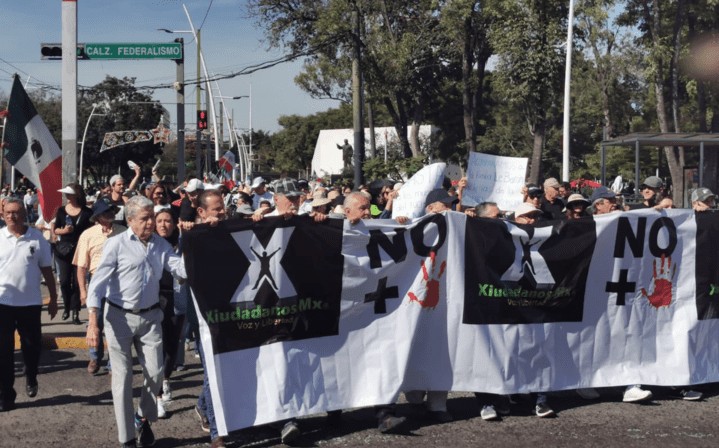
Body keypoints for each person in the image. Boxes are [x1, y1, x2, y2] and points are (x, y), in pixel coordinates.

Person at [85, 195, 187, 448]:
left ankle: (142, 417)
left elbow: (180, 269)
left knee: (155, 373)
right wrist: (93, 321)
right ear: (130, 220)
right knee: (122, 378)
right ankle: (127, 439)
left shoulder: (160, 245)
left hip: (151, 317)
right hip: (118, 317)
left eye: (152, 216)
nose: (151, 222)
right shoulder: (116, 244)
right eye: (145, 218)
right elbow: (97, 285)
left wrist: (201, 248)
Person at [0, 197, 59, 412]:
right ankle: (6, 395)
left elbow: (47, 270)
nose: (11, 216)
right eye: (8, 212)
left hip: (30, 304)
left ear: (24, 214)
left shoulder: (37, 239)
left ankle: (31, 374)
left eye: (16, 212)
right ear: (2, 214)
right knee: (3, 352)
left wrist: (53, 298)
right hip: (3, 304)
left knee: (32, 347)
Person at [73, 198, 126, 375]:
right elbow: (81, 267)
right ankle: (95, 356)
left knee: (116, 324)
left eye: (111, 210)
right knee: (95, 323)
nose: (110, 213)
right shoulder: (87, 235)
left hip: (119, 284)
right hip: (97, 284)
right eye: (106, 211)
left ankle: (113, 361)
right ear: (97, 217)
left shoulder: (124, 232)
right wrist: (83, 290)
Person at [154, 209, 187, 420]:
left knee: (172, 345)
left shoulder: (183, 241)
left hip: (178, 298)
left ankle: (165, 379)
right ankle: (157, 397)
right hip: (155, 299)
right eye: (160, 221)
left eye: (168, 221)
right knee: (155, 345)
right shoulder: (151, 244)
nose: (164, 225)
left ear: (175, 224)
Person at [52, 183, 93, 325]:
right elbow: (55, 229)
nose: (66, 195)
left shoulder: (87, 212)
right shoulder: (61, 211)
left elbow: (92, 231)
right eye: (66, 193)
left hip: (80, 251)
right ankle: (67, 307)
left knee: (77, 283)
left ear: (77, 194)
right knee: (63, 281)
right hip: (63, 250)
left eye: (69, 193)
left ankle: (75, 311)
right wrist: (63, 231)